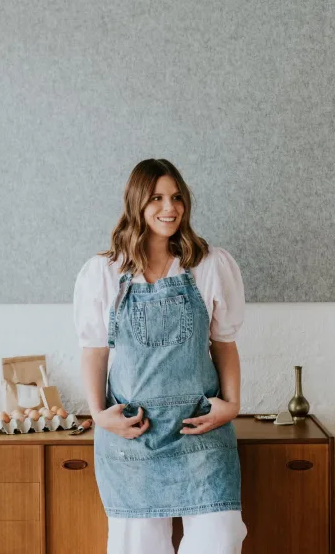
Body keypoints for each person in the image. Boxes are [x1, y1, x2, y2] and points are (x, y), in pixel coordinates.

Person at [73, 159, 249, 554]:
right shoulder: (103, 272)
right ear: (136, 202)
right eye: (156, 198)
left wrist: (233, 404)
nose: (170, 208)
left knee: (220, 539)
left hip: (201, 431)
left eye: (177, 198)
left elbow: (224, 343)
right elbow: (94, 350)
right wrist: (99, 414)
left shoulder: (209, 264)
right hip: (134, 436)